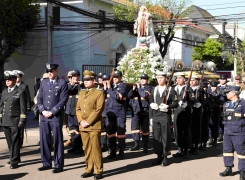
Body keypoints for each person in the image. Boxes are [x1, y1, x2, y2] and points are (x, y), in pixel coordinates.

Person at [37, 63, 68, 173]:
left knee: (57, 140)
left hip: (55, 116)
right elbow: (39, 98)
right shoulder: (43, 83)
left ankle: (58, 164)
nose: (50, 73)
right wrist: (42, 110)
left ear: (56, 71)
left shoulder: (62, 83)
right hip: (44, 116)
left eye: (52, 71)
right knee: (44, 139)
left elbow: (63, 100)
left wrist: (52, 111)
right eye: (48, 71)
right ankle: (46, 163)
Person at [76, 70, 105, 180]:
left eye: (88, 80)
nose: (86, 81)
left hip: (93, 125)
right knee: (87, 148)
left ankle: (98, 170)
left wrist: (88, 121)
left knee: (95, 148)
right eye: (85, 80)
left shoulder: (99, 93)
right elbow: (78, 108)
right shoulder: (82, 92)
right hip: (83, 126)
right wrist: (81, 121)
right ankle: (89, 169)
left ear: (94, 80)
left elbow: (99, 109)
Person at [149, 71, 178, 166]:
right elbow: (151, 103)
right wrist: (151, 117)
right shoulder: (154, 89)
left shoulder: (170, 90)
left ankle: (165, 157)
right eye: (158, 77)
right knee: (156, 137)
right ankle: (159, 156)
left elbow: (176, 103)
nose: (159, 79)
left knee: (165, 137)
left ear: (165, 78)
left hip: (165, 116)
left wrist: (168, 106)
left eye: (161, 77)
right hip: (156, 116)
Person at [0, 71, 27, 169]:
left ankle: (14, 161)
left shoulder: (20, 91)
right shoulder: (4, 92)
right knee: (9, 141)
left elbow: (23, 107)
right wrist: (0, 117)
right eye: (6, 80)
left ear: (15, 80)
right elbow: (1, 105)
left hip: (15, 119)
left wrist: (22, 119)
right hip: (5, 120)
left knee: (15, 140)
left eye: (9, 80)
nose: (7, 82)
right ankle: (15, 156)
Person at [219, 83, 245, 180]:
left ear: (234, 93)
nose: (226, 94)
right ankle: (228, 168)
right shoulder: (226, 104)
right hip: (227, 131)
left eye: (228, 92)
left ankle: (243, 171)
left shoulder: (243, 103)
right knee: (227, 151)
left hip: (239, 131)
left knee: (241, 152)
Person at [105, 70, 128, 159]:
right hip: (110, 113)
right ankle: (112, 151)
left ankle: (121, 151)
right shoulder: (111, 87)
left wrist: (109, 88)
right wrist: (106, 88)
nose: (114, 79)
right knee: (110, 133)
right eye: (114, 77)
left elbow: (118, 97)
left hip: (119, 113)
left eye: (116, 77)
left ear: (120, 78)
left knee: (120, 133)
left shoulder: (123, 86)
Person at [128, 73, 152, 153]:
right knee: (135, 128)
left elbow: (144, 95)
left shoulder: (149, 88)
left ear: (147, 80)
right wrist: (133, 89)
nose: (142, 80)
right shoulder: (137, 88)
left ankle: (145, 145)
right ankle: (136, 144)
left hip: (144, 111)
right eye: (141, 79)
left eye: (144, 79)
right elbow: (129, 96)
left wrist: (138, 88)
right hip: (135, 110)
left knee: (145, 129)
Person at [172, 72, 194, 159]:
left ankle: (186, 150)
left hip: (185, 112)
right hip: (177, 112)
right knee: (177, 131)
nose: (178, 80)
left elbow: (193, 99)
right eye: (177, 78)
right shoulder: (173, 88)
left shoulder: (188, 88)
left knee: (185, 131)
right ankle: (180, 149)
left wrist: (187, 103)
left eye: (180, 78)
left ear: (184, 79)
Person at [65, 70, 83, 154]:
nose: (75, 78)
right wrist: (73, 84)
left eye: (76, 76)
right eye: (73, 76)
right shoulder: (68, 85)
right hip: (69, 110)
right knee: (71, 129)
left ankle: (79, 147)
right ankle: (74, 146)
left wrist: (79, 85)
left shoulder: (81, 85)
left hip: (77, 111)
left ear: (79, 76)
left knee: (78, 129)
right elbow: (67, 90)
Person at [13, 70, 31, 148]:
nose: (16, 79)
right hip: (14, 110)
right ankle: (14, 142)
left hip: (22, 109)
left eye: (17, 77)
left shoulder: (24, 86)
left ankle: (20, 143)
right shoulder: (12, 86)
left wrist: (28, 108)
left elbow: (28, 98)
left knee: (20, 127)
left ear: (20, 77)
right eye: (15, 77)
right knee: (14, 127)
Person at [189, 75, 203, 155]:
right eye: (190, 80)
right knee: (189, 129)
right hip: (189, 111)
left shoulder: (200, 90)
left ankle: (196, 146)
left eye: (193, 80)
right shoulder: (187, 89)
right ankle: (190, 145)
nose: (192, 82)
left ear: (197, 81)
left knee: (197, 129)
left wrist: (200, 104)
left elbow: (204, 100)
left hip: (197, 112)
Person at [100, 74, 110, 152]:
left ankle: (110, 144)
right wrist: (104, 88)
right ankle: (103, 144)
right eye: (103, 80)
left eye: (107, 80)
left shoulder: (111, 88)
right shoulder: (100, 89)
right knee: (103, 129)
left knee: (110, 129)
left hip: (110, 112)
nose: (105, 81)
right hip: (103, 112)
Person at [217, 74, 229, 142]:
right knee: (218, 120)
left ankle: (225, 134)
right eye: (221, 79)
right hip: (218, 106)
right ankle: (220, 134)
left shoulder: (228, 87)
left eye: (223, 79)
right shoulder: (217, 87)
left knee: (225, 120)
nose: (222, 80)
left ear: (226, 79)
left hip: (225, 106)